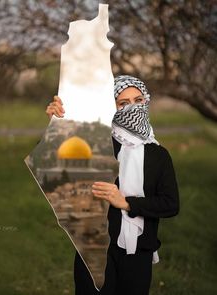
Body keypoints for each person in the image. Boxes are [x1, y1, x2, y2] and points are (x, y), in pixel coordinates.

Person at [46, 75, 180, 295]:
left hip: (138, 253)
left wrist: (126, 202)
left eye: (138, 100)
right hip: (93, 248)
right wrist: (56, 123)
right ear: (112, 108)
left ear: (146, 101)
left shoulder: (158, 155)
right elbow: (56, 165)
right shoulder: (96, 144)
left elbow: (170, 204)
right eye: (123, 103)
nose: (133, 108)